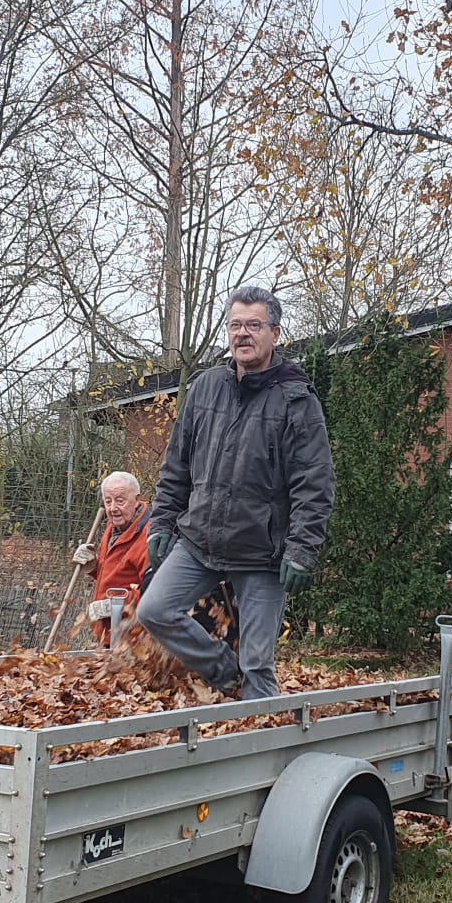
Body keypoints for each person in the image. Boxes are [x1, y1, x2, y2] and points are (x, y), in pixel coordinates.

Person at [136, 285, 335, 700]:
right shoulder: (207, 387)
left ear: (275, 334)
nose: (243, 334)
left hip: (262, 551)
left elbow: (314, 482)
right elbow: (177, 466)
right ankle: (226, 674)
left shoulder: (296, 398)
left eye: (254, 325)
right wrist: (161, 522)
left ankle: (260, 747)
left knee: (259, 663)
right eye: (235, 325)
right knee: (154, 611)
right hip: (200, 537)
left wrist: (301, 550)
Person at [73, 471, 151, 645]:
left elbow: (154, 593)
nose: (113, 508)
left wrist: (116, 606)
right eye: (108, 501)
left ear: (137, 499)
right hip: (109, 634)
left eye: (120, 500)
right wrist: (93, 567)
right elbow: (117, 573)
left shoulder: (148, 538)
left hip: (136, 640)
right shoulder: (114, 527)